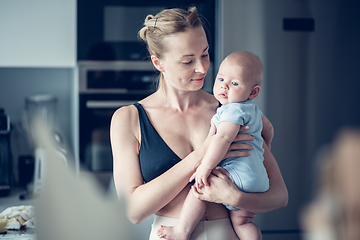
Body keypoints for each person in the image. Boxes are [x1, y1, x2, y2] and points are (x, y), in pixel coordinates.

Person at [110, 6, 288, 240]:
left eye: (204, 54)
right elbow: (133, 211)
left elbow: (279, 195)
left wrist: (235, 198)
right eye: (187, 61)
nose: (202, 68)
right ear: (158, 63)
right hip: (170, 234)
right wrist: (202, 154)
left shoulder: (230, 110)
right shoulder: (129, 119)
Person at [157, 51, 269, 240]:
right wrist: (267, 147)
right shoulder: (253, 109)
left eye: (234, 83)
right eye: (221, 78)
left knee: (198, 191)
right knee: (243, 222)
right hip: (257, 178)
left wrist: (205, 167)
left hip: (237, 177)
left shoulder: (232, 111)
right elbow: (270, 129)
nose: (224, 86)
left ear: (253, 92)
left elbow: (223, 138)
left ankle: (181, 231)